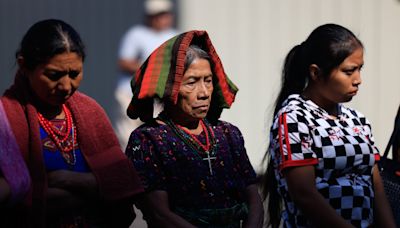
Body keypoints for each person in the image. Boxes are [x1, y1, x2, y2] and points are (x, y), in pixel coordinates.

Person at [0, 19, 143, 227]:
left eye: (74, 74)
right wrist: (97, 190)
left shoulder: (90, 112)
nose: (66, 86)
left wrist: (76, 181)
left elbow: (125, 182)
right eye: (54, 75)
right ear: (24, 66)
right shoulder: (5, 120)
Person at [261, 23, 396, 228]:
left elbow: (376, 186)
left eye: (360, 69)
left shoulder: (357, 120)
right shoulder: (294, 118)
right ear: (316, 73)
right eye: (349, 71)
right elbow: (304, 194)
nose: (358, 80)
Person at [125, 30, 264, 227]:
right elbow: (158, 213)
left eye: (208, 81)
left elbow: (253, 197)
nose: (204, 93)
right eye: (191, 82)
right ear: (169, 89)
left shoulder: (228, 134)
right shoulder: (149, 139)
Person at [115, 0, 178, 149]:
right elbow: (124, 62)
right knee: (127, 137)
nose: (160, 19)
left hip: (160, 96)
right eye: (156, 15)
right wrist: (152, 68)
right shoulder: (136, 34)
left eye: (163, 14)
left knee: (159, 137)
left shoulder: (175, 36)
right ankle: (128, 170)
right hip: (131, 94)